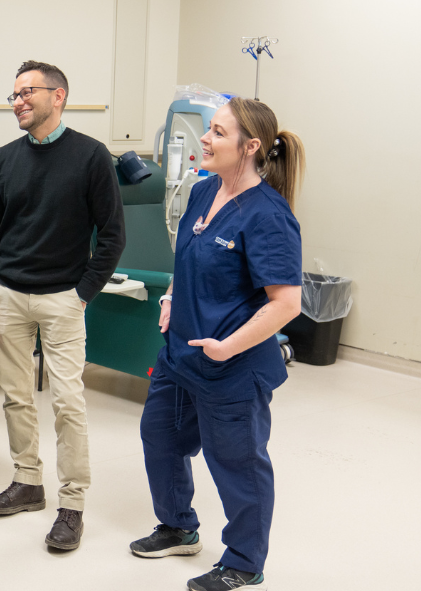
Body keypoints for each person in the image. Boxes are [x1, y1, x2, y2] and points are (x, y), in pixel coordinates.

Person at [128, 97, 305, 591]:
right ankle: (179, 526)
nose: (205, 139)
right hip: (180, 355)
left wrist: (228, 347)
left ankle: (245, 562)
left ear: (250, 147)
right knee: (160, 438)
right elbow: (187, 259)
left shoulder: (268, 215)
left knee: (238, 464)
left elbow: (287, 303)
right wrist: (169, 296)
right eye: (209, 129)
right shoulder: (204, 192)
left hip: (233, 367)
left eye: (218, 133)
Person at [0, 60, 125, 551]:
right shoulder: (3, 158)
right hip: (8, 296)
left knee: (67, 403)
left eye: (26, 91)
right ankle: (27, 483)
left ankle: (72, 504)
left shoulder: (92, 157)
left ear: (58, 96)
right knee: (16, 397)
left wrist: (83, 293)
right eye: (13, 94)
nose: (17, 100)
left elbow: (114, 237)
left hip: (63, 298)